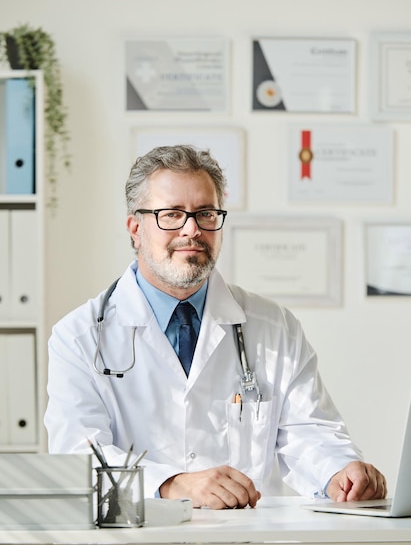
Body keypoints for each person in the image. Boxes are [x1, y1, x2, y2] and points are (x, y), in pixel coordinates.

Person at [44, 144, 386, 510]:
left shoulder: (273, 326)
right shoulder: (80, 337)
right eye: (171, 214)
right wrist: (171, 485)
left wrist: (339, 473)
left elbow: (310, 432)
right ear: (135, 229)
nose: (192, 230)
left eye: (205, 213)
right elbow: (76, 457)